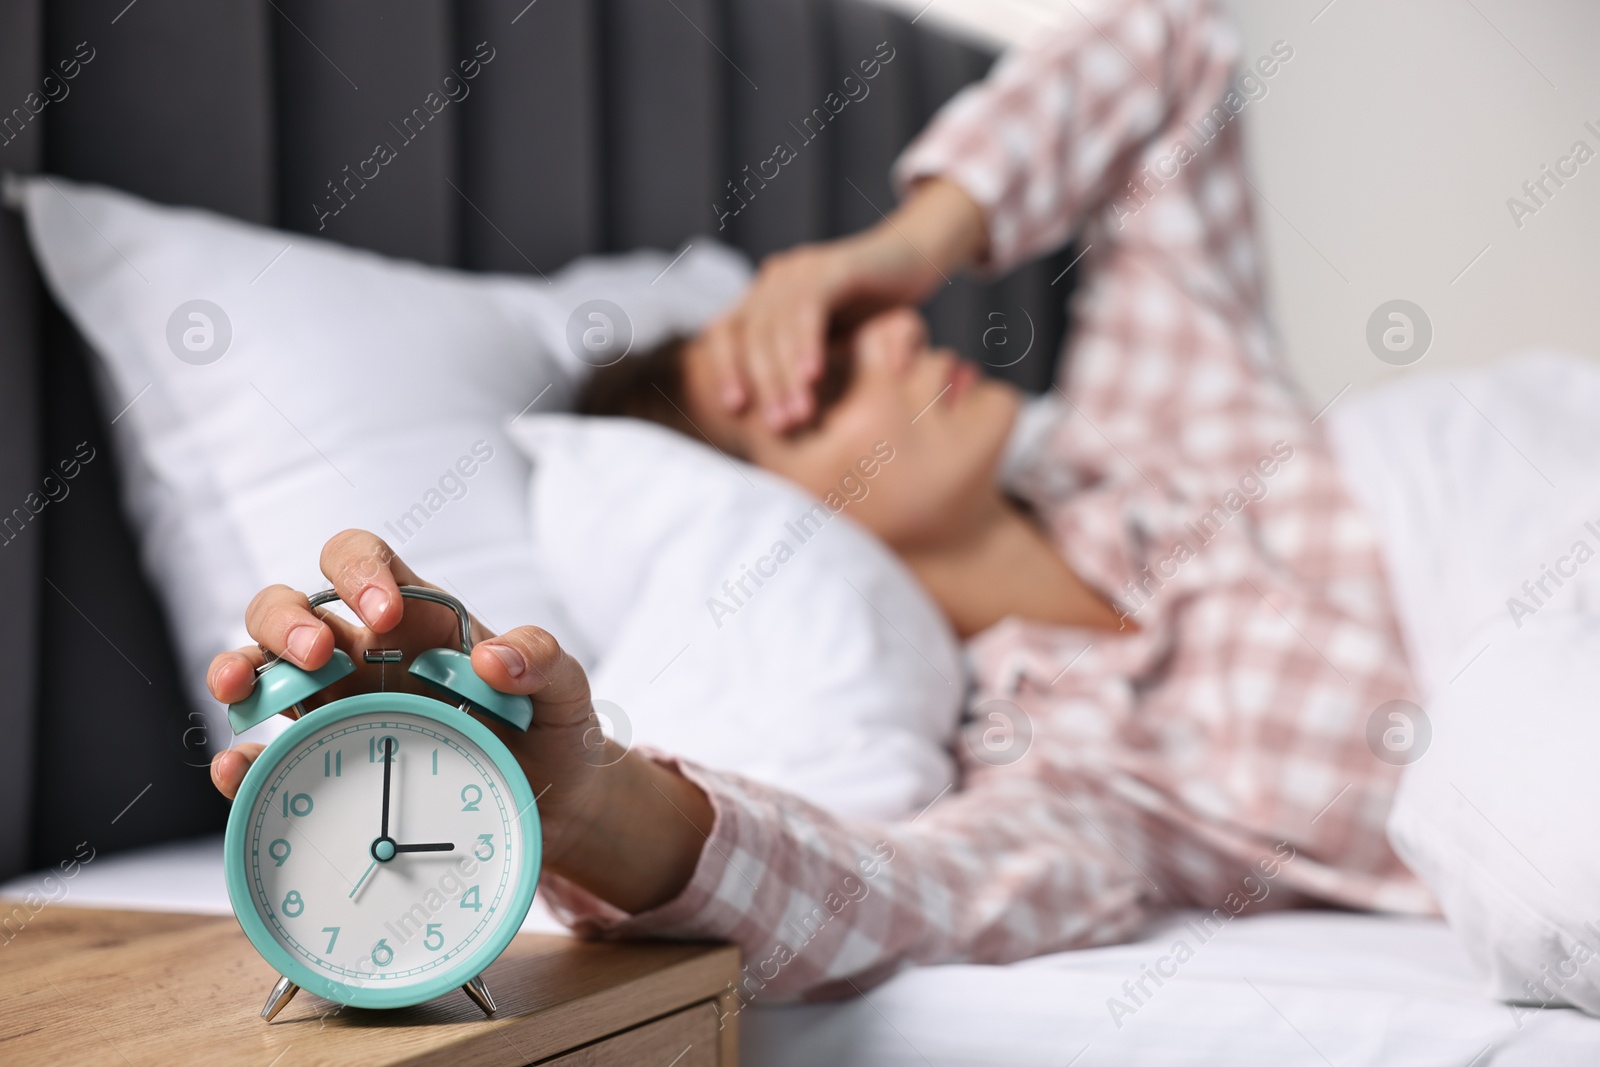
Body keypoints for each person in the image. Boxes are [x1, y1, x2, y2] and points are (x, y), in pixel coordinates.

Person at [207, 0, 1434, 1007]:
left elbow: (1177, 53)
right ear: (768, 509)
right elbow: (877, 888)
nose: (900, 332)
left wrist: (902, 243)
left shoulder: (1162, 416)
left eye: (862, 319)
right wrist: (584, 800)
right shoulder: (1068, 771)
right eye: (825, 378)